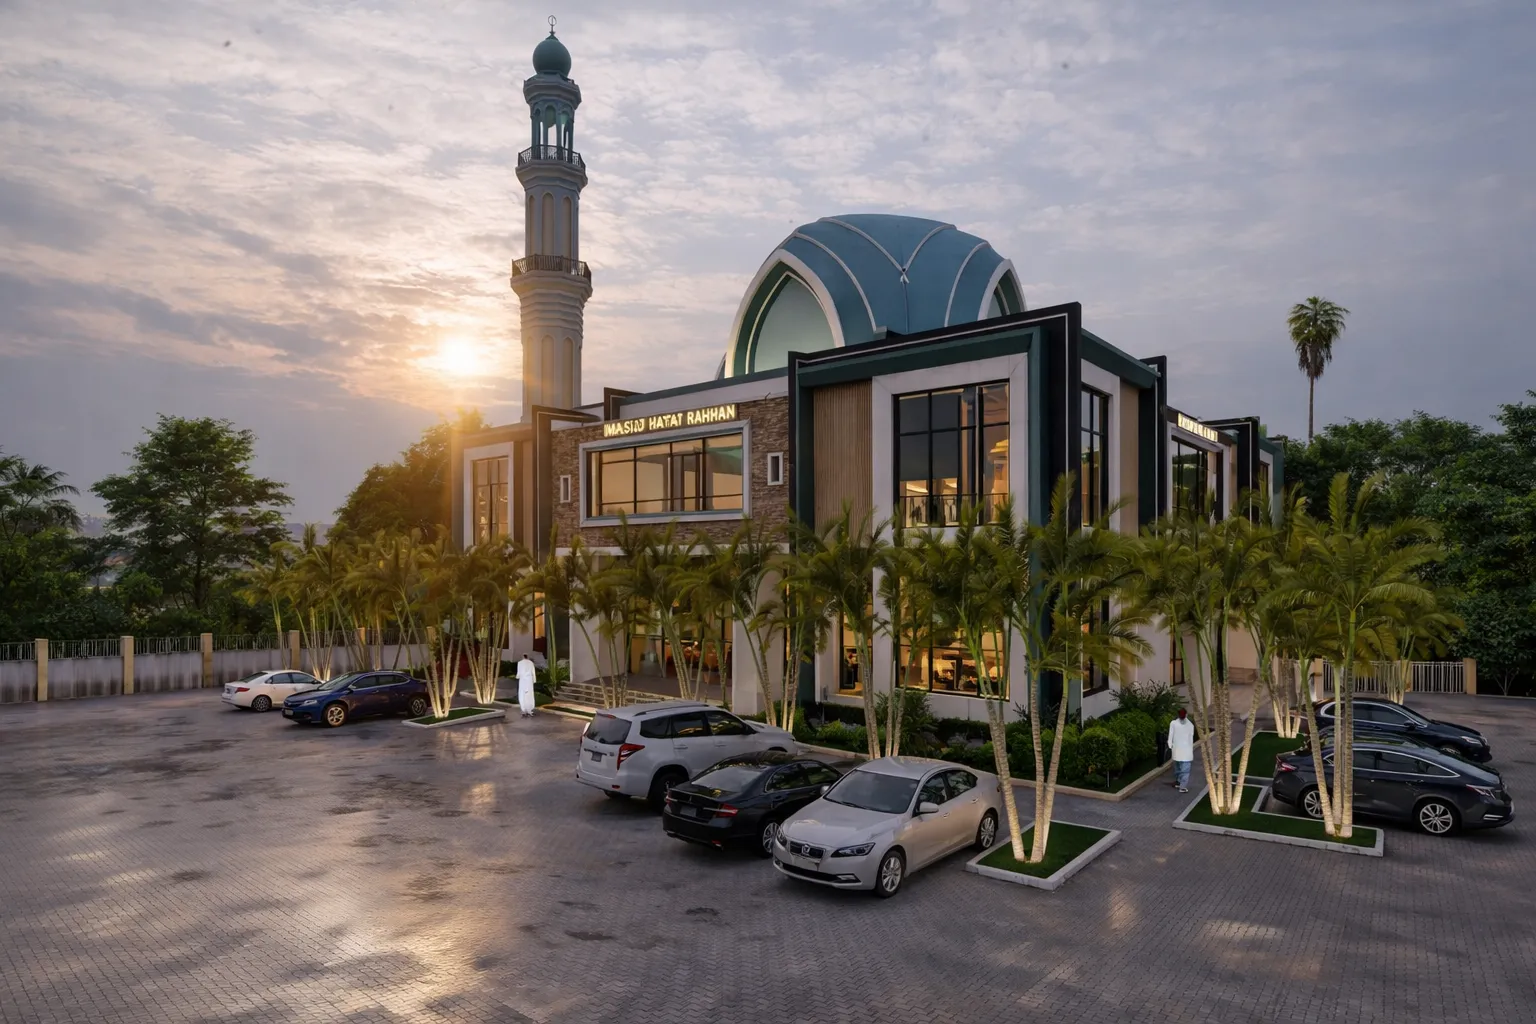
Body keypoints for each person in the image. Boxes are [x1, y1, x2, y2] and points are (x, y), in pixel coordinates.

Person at [1168, 708, 1195, 793]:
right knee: (1184, 770)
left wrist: (1170, 745)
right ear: (1186, 715)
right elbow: (1190, 739)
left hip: (1177, 751)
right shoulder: (1190, 725)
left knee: (1179, 768)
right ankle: (1181, 786)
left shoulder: (1174, 723)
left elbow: (1170, 736)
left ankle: (1179, 783)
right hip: (1185, 752)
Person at [516, 653, 538, 718]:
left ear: (523, 657)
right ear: (527, 657)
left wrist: (518, 677)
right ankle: (529, 709)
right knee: (529, 694)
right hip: (529, 680)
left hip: (523, 680)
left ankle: (524, 709)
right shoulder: (531, 663)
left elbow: (518, 673)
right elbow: (533, 672)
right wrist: (534, 680)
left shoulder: (519, 663)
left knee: (522, 694)